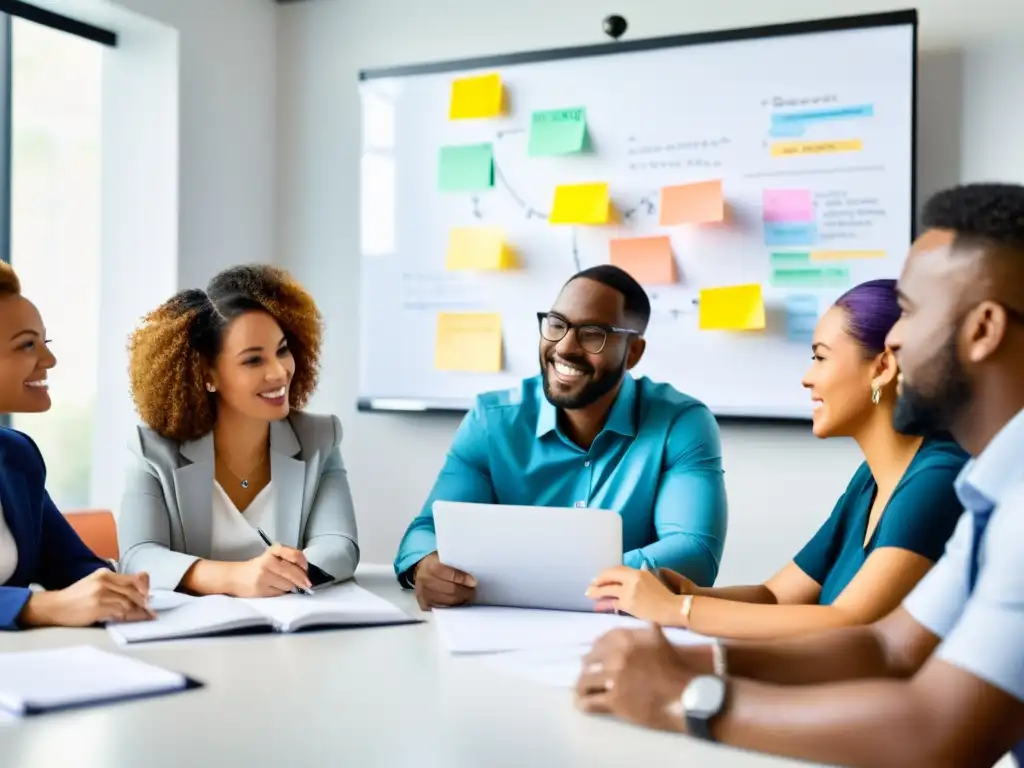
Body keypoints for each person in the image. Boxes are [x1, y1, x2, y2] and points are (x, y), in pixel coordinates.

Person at [574, 182, 1024, 767]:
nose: (894, 338)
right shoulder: (993, 487)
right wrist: (697, 660)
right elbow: (887, 648)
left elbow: (937, 732)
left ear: (983, 329)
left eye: (911, 311)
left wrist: (681, 696)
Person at [585, 279, 967, 640]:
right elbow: (776, 595)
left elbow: (850, 622)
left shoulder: (937, 479)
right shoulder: (872, 479)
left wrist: (678, 609)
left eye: (820, 357)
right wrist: (690, 593)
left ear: (883, 368)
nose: (806, 378)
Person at [395, 264, 728, 610]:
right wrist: (426, 566)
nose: (565, 348)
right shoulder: (491, 421)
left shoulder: (681, 423)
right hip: (504, 631)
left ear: (633, 352)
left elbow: (695, 554)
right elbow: (424, 533)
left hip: (625, 635)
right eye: (556, 324)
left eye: (592, 333)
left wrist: (553, 580)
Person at [118, 264, 359, 596]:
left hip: (292, 637)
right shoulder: (153, 449)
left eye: (282, 350)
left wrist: (283, 574)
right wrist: (237, 578)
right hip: (190, 640)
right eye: (253, 361)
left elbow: (340, 544)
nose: (279, 373)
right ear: (207, 374)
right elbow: (138, 556)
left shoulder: (320, 437)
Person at [0, 262, 153, 630]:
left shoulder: (17, 456)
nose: (49, 360)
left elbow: (69, 565)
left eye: (44, 343)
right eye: (27, 344)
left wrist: (116, 586)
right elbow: (52, 601)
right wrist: (37, 607)